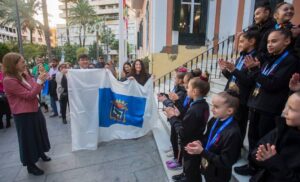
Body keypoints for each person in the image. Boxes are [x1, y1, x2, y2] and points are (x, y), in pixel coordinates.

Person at [235, 29, 299, 176]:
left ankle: (260, 167)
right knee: (252, 137)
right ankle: (252, 164)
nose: (269, 45)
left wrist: (255, 71)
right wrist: (255, 70)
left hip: (270, 108)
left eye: (274, 41)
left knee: (264, 139)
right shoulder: (269, 58)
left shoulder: (291, 60)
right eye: (268, 41)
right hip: (257, 103)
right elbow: (259, 79)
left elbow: (273, 84)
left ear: (287, 41)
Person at [2, 52, 51, 176]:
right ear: (13, 64)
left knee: (39, 133)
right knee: (28, 139)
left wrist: (40, 82)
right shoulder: (8, 80)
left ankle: (40, 152)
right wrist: (40, 81)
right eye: (22, 62)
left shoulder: (25, 74)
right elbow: (29, 95)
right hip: (23, 114)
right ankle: (30, 165)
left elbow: (34, 88)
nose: (25, 64)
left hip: (35, 109)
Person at [185, 90, 242, 182]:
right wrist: (200, 143)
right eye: (212, 105)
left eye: (216, 107)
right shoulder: (214, 120)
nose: (212, 109)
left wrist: (202, 152)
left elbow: (226, 161)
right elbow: (208, 137)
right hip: (208, 167)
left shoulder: (233, 133)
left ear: (229, 111)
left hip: (219, 175)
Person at [164, 77, 210, 182]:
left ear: (195, 91)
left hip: (191, 142)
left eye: (188, 87)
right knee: (188, 163)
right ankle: (185, 175)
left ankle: (190, 178)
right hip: (193, 138)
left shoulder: (195, 109)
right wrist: (178, 109)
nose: (186, 89)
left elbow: (182, 132)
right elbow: (186, 118)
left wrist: (172, 118)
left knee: (191, 165)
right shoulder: (202, 104)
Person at [250, 92, 300, 182]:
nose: (284, 112)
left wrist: (273, 161)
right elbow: (256, 150)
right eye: (286, 106)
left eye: (291, 109)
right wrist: (261, 156)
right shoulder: (282, 128)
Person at [219, 30, 259, 141]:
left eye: (241, 41)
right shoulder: (241, 56)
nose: (239, 44)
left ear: (251, 41)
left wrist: (234, 69)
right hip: (232, 95)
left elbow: (248, 82)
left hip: (242, 99)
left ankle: (236, 148)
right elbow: (236, 78)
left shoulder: (255, 58)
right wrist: (225, 71)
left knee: (238, 127)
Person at [157, 71, 186, 170]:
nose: (173, 79)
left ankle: (178, 160)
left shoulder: (182, 93)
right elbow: (172, 100)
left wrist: (164, 100)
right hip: (174, 118)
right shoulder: (178, 89)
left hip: (177, 119)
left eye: (175, 78)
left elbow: (174, 105)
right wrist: (165, 96)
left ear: (180, 80)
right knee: (173, 138)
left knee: (175, 139)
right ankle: (175, 156)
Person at [0, 62, 11, 129]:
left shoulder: (4, 74)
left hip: (4, 92)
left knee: (7, 107)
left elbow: (4, 81)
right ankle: (0, 123)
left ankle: (8, 122)